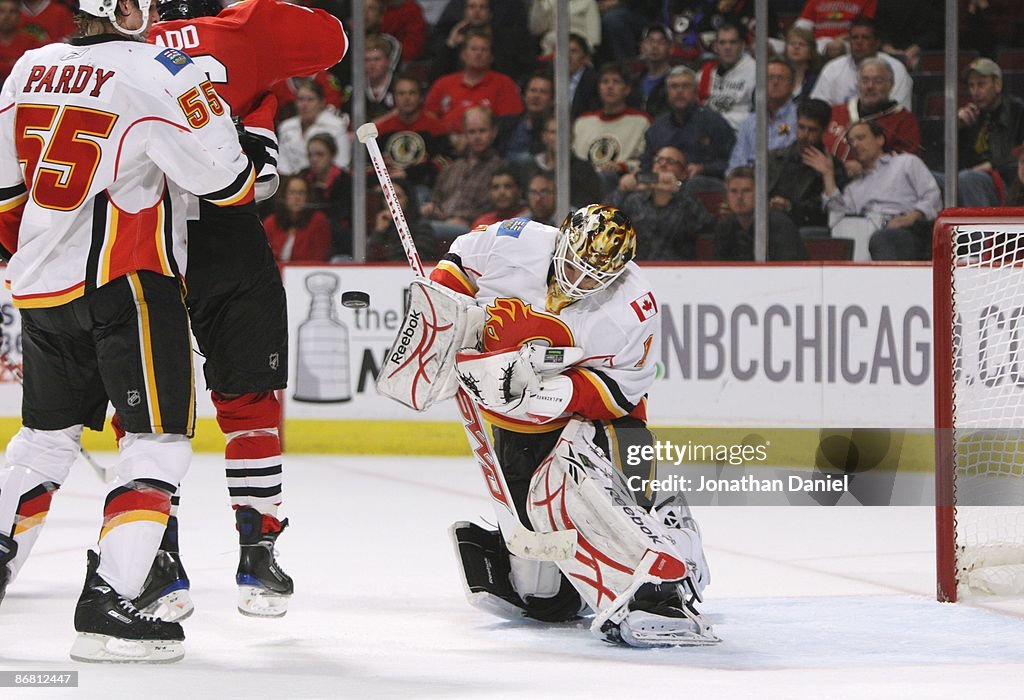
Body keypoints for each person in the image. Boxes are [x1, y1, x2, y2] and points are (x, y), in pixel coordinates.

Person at [0, 0, 255, 662]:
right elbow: (228, 183)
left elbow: (2, 197)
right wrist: (237, 137)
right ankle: (113, 603)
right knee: (158, 442)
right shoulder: (159, 69)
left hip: (39, 283)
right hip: (128, 284)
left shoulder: (28, 67)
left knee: (44, 438)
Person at [430, 205, 713, 646]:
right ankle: (585, 578)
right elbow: (460, 262)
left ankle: (667, 563)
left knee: (582, 497)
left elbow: (620, 391)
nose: (578, 283)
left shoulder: (633, 305)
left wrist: (547, 392)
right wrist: (438, 317)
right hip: (518, 427)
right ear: (560, 239)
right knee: (544, 599)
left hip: (600, 422)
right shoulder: (518, 241)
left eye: (593, 277)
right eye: (573, 267)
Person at [146, 0, 347, 620]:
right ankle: (256, 550)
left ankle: (157, 555)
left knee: (155, 414)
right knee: (251, 401)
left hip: (144, 241)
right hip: (227, 242)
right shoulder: (248, 31)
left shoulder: (118, 48)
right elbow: (334, 41)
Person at [805, 120, 941, 260]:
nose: (855, 144)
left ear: (880, 139)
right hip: (864, 234)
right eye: (851, 142)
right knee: (809, 236)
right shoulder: (853, 188)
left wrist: (912, 217)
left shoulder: (906, 163)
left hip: (905, 232)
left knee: (882, 238)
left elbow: (932, 195)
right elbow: (837, 218)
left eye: (861, 138)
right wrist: (828, 174)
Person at [612, 146, 714, 260]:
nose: (663, 164)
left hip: (679, 271)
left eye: (671, 162)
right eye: (658, 160)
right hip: (638, 269)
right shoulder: (634, 200)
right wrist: (621, 190)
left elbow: (707, 226)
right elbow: (604, 221)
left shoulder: (688, 202)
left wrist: (677, 190)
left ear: (684, 174)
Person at [822, 58, 920, 175]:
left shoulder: (904, 121)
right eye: (865, 80)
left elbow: (908, 162)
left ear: (891, 85)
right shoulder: (835, 112)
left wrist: (869, 167)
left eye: (878, 81)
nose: (870, 86)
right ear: (858, 84)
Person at [422, 105, 506, 239]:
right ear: (465, 134)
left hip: (473, 229)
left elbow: (496, 208)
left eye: (482, 131)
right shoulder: (452, 168)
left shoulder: (500, 169)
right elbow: (436, 200)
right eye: (472, 132)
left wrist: (466, 220)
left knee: (422, 230)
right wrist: (432, 208)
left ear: (493, 132)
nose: (477, 137)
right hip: (441, 223)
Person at [639, 65, 735, 181]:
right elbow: (646, 164)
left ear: (696, 91)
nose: (679, 91)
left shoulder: (714, 123)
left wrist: (704, 168)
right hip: (661, 184)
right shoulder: (657, 126)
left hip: (700, 183)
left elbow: (731, 162)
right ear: (667, 92)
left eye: (686, 86)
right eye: (674, 87)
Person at [766, 98, 847, 230]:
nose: (804, 135)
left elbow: (824, 211)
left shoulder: (834, 168)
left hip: (802, 227)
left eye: (812, 130)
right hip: (766, 220)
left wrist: (789, 206)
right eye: (801, 127)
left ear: (824, 130)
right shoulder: (774, 158)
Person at [424, 29, 524, 134]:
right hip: (447, 142)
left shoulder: (504, 83)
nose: (478, 53)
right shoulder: (443, 83)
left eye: (484, 50)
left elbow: (510, 122)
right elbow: (429, 116)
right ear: (463, 55)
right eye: (474, 49)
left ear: (491, 57)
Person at [573, 62, 651, 193]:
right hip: (582, 180)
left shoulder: (641, 121)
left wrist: (622, 166)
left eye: (616, 82)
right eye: (605, 82)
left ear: (627, 89)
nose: (610, 86)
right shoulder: (583, 121)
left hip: (619, 183)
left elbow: (646, 161)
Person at [374, 73, 450, 207]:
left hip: (422, 188)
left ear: (420, 97)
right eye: (401, 93)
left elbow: (444, 163)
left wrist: (410, 173)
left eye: (412, 93)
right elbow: (368, 165)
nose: (407, 98)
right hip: (387, 186)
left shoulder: (435, 128)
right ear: (394, 98)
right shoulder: (381, 129)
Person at [957, 58, 1024, 207]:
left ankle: (983, 230)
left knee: (967, 178)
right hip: (970, 177)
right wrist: (957, 128)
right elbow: (946, 161)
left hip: (1004, 181)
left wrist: (991, 165)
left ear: (998, 85)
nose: (975, 92)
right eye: (971, 86)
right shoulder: (972, 116)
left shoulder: (1018, 112)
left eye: (981, 84)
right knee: (932, 179)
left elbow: (1019, 157)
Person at [810, 17, 912, 112]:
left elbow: (899, 112)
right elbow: (817, 109)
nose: (859, 42)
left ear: (877, 43)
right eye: (854, 38)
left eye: (865, 38)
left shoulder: (896, 69)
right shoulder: (832, 68)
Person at [715, 167, 806, 261]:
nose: (739, 197)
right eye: (733, 191)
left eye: (746, 191)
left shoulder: (780, 225)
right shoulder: (725, 226)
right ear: (726, 196)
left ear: (760, 193)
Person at [728, 58, 797, 172]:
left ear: (792, 85)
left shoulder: (798, 118)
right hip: (749, 181)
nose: (775, 82)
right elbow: (737, 162)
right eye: (770, 78)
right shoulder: (749, 122)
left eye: (781, 78)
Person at [276, 79, 351, 176]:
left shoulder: (336, 126)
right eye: (300, 99)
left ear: (322, 102)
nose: (304, 105)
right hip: (291, 185)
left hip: (326, 184)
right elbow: (282, 163)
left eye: (310, 99)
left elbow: (342, 163)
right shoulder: (285, 127)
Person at [301, 134, 353, 258]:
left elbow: (344, 216)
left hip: (339, 241)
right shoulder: (302, 178)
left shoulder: (346, 182)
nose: (314, 159)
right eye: (310, 155)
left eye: (320, 154)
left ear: (332, 155)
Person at [697, 22, 755, 133]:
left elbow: (759, 116)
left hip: (742, 135)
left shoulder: (755, 71)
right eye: (722, 43)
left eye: (733, 42)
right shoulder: (706, 72)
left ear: (742, 45)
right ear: (715, 47)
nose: (727, 47)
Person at [368, 180, 440, 262]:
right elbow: (370, 259)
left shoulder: (421, 226)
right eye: (387, 196)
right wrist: (379, 231)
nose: (391, 202)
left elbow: (420, 258)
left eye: (397, 196)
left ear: (408, 199)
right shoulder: (383, 225)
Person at [263, 177, 332, 262]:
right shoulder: (271, 222)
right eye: (292, 193)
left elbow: (320, 257)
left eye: (301, 193)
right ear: (284, 195)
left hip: (306, 273)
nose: (296, 198)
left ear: (308, 197)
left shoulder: (318, 222)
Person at [794, 0, 877, 57]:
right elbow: (801, 27)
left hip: (848, 42)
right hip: (818, 43)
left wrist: (840, 39)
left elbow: (867, 28)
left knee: (837, 47)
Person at [628, 23, 672, 118]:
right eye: (650, 41)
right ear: (642, 47)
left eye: (661, 42)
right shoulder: (633, 82)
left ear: (670, 48)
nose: (655, 46)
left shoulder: (675, 81)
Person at [0, 0, 40, 84]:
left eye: (12, 12)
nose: (7, 16)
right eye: (2, 11)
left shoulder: (31, 42)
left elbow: (33, 71)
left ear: (19, 15)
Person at [784, 25, 822, 100]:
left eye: (802, 44)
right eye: (792, 43)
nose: (796, 47)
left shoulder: (817, 80)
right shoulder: (779, 76)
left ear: (811, 51)